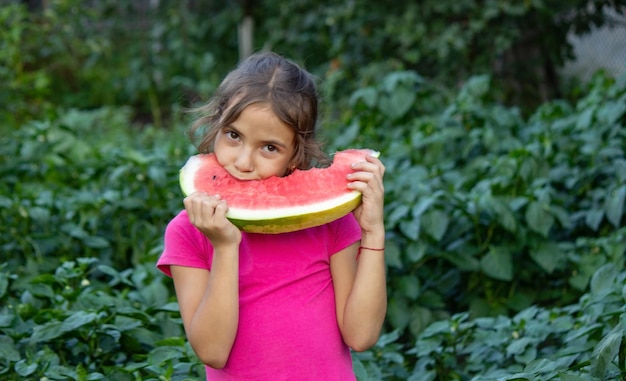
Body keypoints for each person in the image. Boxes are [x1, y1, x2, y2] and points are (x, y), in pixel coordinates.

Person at [157, 51, 387, 380]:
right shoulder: (188, 231)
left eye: (269, 148)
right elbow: (212, 351)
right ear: (216, 126)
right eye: (233, 135)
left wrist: (373, 232)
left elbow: (361, 336)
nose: (243, 162)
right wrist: (224, 247)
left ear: (296, 155)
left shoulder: (329, 222)